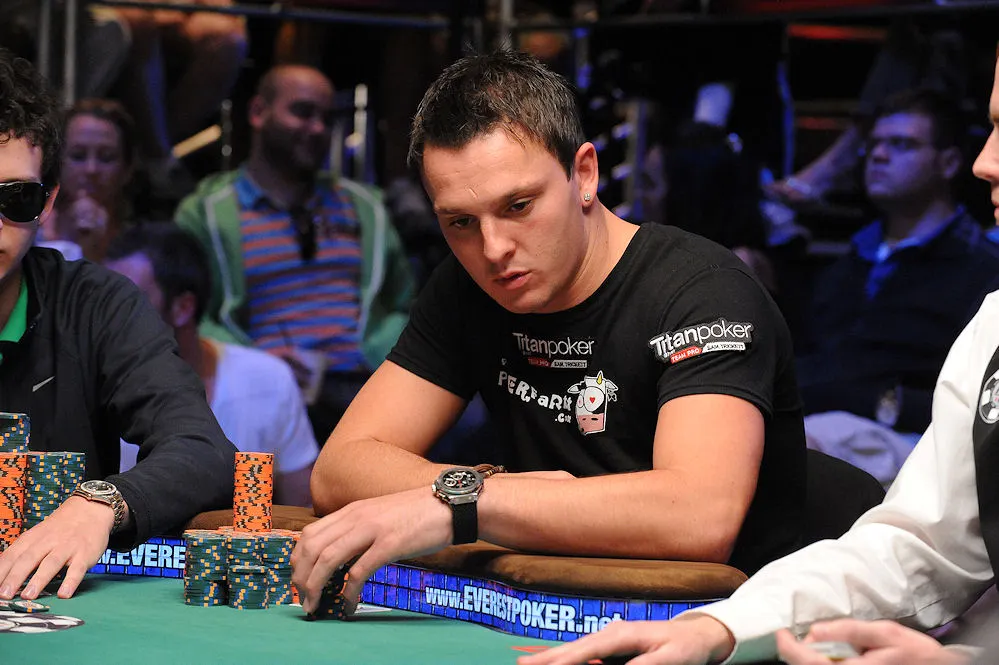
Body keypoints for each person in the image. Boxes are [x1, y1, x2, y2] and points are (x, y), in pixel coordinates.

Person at [517, 52, 999, 665]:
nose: (986, 161)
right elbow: (919, 548)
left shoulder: (968, 270)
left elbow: (698, 516)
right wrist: (719, 626)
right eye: (991, 125)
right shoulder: (991, 322)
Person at [289, 49, 807, 616]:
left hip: (729, 624)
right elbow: (339, 469)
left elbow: (699, 517)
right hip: (555, 611)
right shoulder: (467, 288)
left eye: (518, 206)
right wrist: (474, 493)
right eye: (460, 222)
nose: (493, 249)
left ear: (584, 174)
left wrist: (463, 506)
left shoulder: (704, 292)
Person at [0, 48, 236, 603]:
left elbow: (203, 450)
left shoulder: (95, 305)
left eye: (15, 198)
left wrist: (99, 503)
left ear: (48, 203)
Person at [175, 64, 415, 441]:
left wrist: (379, 354)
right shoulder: (207, 212)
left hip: (362, 382)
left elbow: (405, 303)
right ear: (258, 112)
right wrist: (256, 362)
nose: (317, 129)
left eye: (327, 118)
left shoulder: (364, 206)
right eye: (303, 112)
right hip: (266, 387)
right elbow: (189, 317)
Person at [797, 88, 999, 486]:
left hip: (916, 441)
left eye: (901, 144)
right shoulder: (849, 261)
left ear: (949, 163)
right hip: (822, 418)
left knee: (799, 449)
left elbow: (980, 397)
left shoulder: (981, 268)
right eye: (874, 144)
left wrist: (888, 403)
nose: (879, 155)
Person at [106, 224, 319, 507]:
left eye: (130, 302)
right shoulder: (96, 383)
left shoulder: (268, 379)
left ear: (183, 308)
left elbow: (299, 510)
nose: (111, 317)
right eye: (107, 302)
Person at [37, 99, 137, 263]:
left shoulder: (141, 247)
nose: (91, 170)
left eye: (106, 157)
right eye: (78, 156)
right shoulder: (29, 229)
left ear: (127, 169)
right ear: (56, 161)